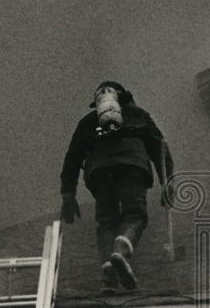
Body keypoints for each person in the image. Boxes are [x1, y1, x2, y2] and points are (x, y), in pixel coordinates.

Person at [60, 81, 173, 293]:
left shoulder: (87, 122)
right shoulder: (138, 115)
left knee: (106, 222)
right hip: (132, 169)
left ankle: (109, 276)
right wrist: (167, 181)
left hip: (100, 173)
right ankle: (120, 252)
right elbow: (160, 147)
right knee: (134, 214)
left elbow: (72, 158)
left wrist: (68, 194)